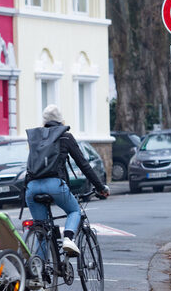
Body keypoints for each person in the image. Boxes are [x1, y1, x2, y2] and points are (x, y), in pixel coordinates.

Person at [25, 105, 109, 256]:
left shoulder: (36, 137)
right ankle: (68, 239)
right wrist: (100, 187)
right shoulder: (65, 136)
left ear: (43, 120)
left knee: (41, 230)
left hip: (31, 187)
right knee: (74, 210)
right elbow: (83, 165)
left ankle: (38, 272)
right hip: (55, 185)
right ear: (61, 120)